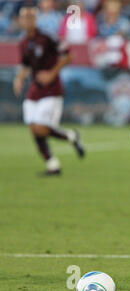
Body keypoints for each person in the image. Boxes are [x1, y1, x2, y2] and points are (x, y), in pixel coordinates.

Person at [14, 6, 85, 176]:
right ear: (20, 20)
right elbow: (26, 65)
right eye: (25, 17)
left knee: (41, 128)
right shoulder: (23, 43)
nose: (28, 20)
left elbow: (68, 55)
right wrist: (20, 78)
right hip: (34, 90)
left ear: (36, 19)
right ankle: (53, 164)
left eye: (31, 17)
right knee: (33, 128)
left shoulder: (47, 38)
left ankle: (71, 136)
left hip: (51, 90)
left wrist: (51, 73)